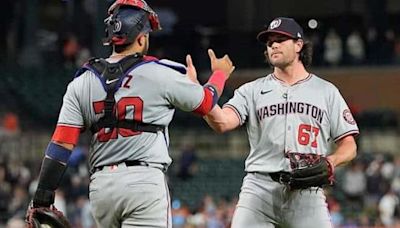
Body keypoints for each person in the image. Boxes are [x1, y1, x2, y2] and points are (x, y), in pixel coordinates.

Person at [25, 0, 234, 227]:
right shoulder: (160, 73)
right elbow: (205, 104)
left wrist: (42, 199)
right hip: (143, 182)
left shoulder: (82, 82)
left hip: (102, 187)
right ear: (142, 37)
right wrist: (219, 76)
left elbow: (60, 146)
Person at [203, 17, 359, 227]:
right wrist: (205, 91)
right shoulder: (252, 91)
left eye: (280, 39)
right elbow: (221, 123)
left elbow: (349, 145)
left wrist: (332, 161)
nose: (273, 45)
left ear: (298, 45)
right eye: (269, 42)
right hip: (259, 189)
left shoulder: (326, 91)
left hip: (307, 193)